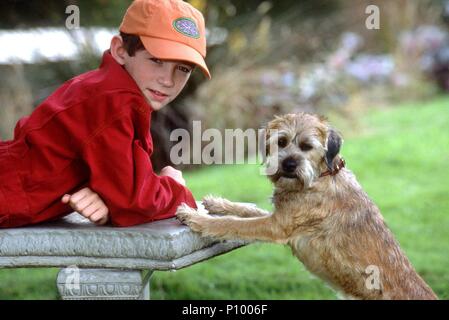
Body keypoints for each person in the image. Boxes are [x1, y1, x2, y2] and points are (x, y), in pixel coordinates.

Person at [0, 0, 210, 228]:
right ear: (120, 50)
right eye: (156, 60)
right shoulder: (113, 103)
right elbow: (135, 202)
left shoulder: (108, 90)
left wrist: (105, 197)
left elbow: (122, 191)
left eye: (183, 69)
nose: (168, 80)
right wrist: (175, 187)